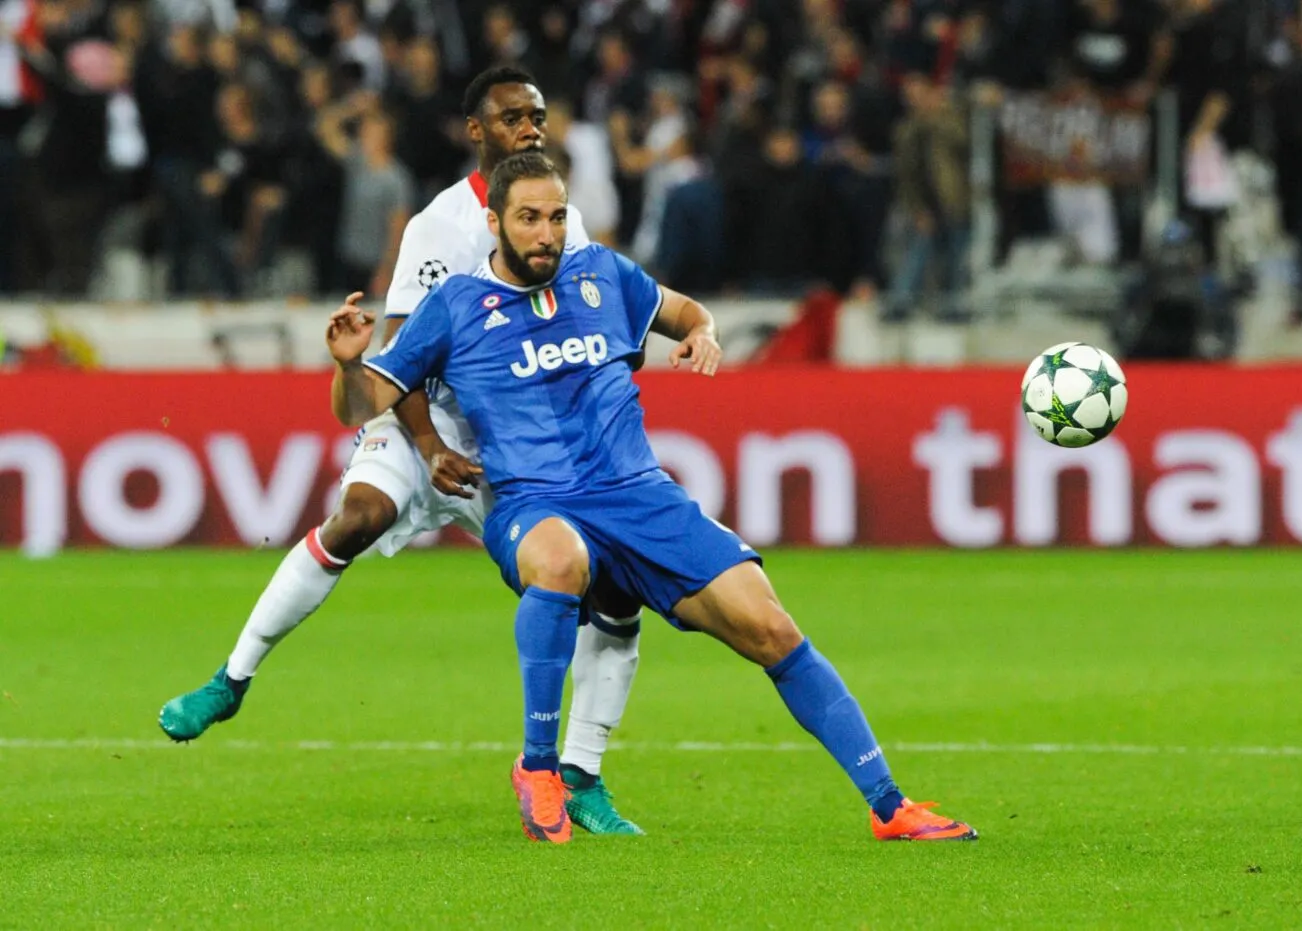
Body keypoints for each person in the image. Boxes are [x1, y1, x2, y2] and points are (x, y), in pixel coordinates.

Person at [327, 151, 979, 845]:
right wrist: (346, 366)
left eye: (554, 216)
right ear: (494, 222)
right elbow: (365, 403)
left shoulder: (603, 275)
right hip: (534, 500)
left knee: (772, 627)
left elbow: (683, 309)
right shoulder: (453, 306)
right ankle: (541, 769)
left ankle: (889, 805)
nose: (545, 233)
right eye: (528, 218)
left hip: (640, 497)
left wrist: (703, 332)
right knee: (558, 561)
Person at [158, 68, 645, 836]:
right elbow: (402, 351)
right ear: (475, 131)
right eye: (512, 116)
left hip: (508, 445)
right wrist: (427, 443)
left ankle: (581, 774)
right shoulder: (437, 225)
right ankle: (231, 679)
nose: (531, 127)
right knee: (357, 515)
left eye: (539, 115)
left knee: (610, 589)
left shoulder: (564, 222)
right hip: (424, 421)